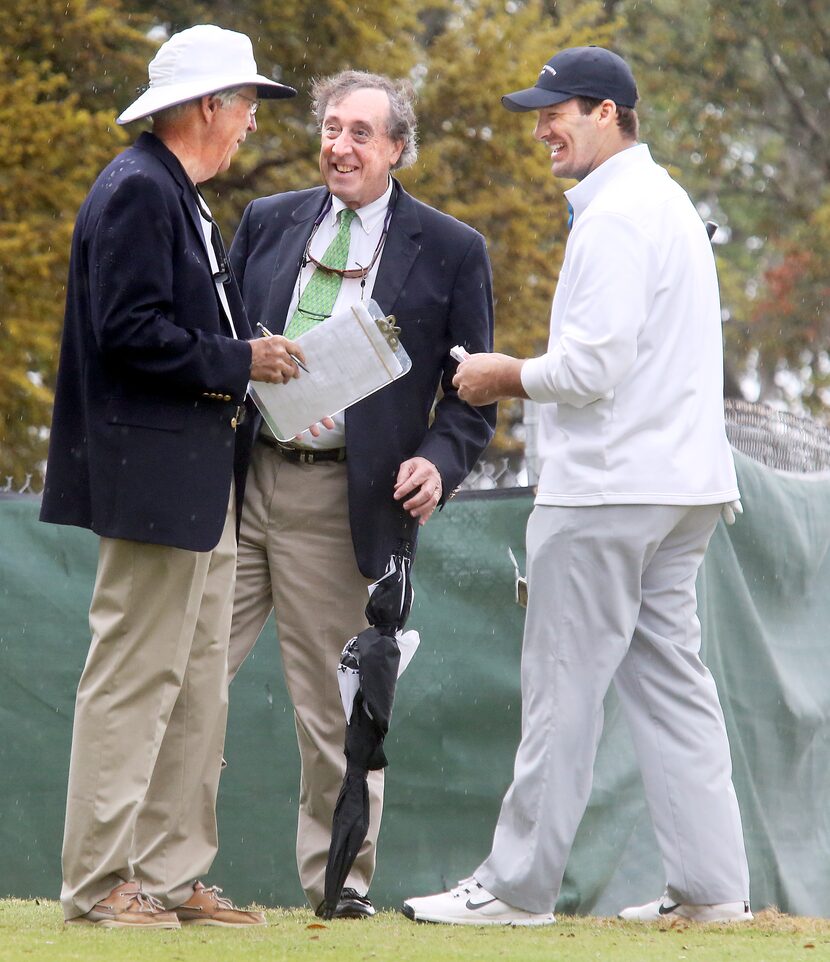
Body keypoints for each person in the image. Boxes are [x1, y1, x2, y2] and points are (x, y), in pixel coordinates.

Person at [403, 46, 752, 926]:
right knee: (674, 683)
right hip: (680, 488)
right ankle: (712, 894)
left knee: (563, 688)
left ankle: (517, 889)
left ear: (611, 113)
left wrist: (499, 375)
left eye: (560, 110)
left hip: (607, 491)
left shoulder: (618, 213)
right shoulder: (663, 201)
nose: (543, 128)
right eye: (539, 113)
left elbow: (594, 367)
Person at [40, 24, 303, 928]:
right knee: (132, 680)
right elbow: (130, 332)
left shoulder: (176, 196)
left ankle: (166, 873)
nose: (249, 128)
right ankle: (97, 882)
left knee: (195, 687)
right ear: (205, 106)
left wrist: (240, 360)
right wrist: (243, 361)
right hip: (153, 479)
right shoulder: (139, 194)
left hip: (195, 483)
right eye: (244, 109)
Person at [227, 70, 496, 918]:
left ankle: (338, 887)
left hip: (343, 503)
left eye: (359, 134)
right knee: (182, 678)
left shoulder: (452, 249)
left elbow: (469, 396)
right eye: (330, 129)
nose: (339, 147)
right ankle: (154, 874)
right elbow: (220, 337)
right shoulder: (268, 221)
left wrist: (438, 464)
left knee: (331, 713)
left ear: (395, 149)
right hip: (239, 484)